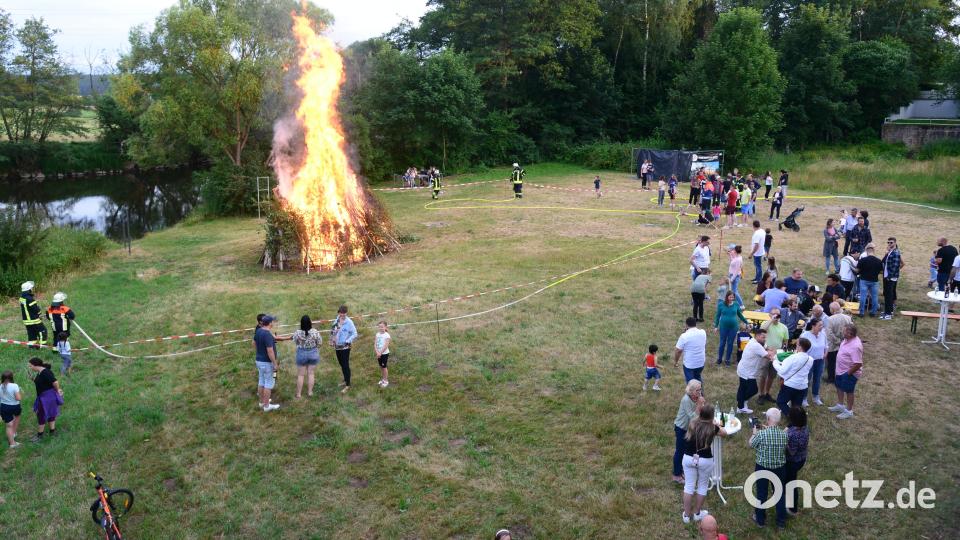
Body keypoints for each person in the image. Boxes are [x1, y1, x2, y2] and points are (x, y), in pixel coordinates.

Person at [681, 405, 728, 524]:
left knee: (689, 486)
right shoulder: (713, 428)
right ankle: (697, 513)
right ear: (712, 416)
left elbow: (697, 421)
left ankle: (686, 516)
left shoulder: (692, 423)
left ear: (700, 414)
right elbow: (724, 433)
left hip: (688, 458)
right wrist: (716, 424)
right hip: (705, 460)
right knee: (702, 486)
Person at [749, 407, 788, 529]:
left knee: (762, 493)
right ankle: (781, 521)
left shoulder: (761, 434)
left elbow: (751, 444)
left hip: (763, 467)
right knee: (779, 493)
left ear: (768, 419)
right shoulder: (784, 435)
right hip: (779, 468)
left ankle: (760, 520)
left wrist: (754, 433)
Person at [672, 379, 704, 482]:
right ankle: (676, 475)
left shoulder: (696, 397)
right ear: (691, 391)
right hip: (681, 428)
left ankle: (685, 471)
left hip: (690, 428)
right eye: (697, 390)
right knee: (680, 451)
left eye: (700, 389)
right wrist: (699, 405)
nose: (700, 392)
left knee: (689, 450)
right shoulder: (686, 400)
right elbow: (692, 417)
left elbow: (700, 413)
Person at [830, 324, 863, 420]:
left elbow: (858, 364)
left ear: (850, 333)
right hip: (840, 370)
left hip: (849, 373)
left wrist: (848, 374)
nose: (842, 332)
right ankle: (840, 405)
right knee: (839, 387)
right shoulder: (846, 339)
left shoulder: (855, 346)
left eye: (844, 331)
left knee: (849, 391)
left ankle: (849, 411)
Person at [737, 328, 773, 413]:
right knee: (753, 390)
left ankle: (741, 404)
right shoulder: (756, 345)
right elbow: (769, 356)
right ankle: (741, 406)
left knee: (743, 388)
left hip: (744, 369)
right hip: (747, 372)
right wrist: (772, 352)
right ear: (757, 336)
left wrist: (769, 349)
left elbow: (766, 347)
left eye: (765, 337)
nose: (765, 339)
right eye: (763, 337)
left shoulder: (755, 341)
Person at [774, 337, 813, 416]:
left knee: (780, 402)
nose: (796, 345)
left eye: (797, 344)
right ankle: (798, 420)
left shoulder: (792, 357)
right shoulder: (811, 359)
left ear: (800, 347)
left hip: (790, 385)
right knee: (797, 406)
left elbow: (782, 370)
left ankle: (792, 417)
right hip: (802, 386)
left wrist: (774, 362)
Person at [27, 357, 62, 442]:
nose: (30, 368)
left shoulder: (46, 372)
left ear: (36, 365)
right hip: (44, 396)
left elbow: (55, 382)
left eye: (30, 366)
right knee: (50, 413)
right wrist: (32, 379)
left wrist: (58, 390)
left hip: (47, 397)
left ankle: (40, 436)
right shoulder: (40, 372)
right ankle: (52, 432)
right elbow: (42, 383)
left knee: (41, 415)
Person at [758, 309, 788, 404]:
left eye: (778, 314)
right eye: (774, 314)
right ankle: (761, 394)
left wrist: (780, 351)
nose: (776, 316)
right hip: (765, 353)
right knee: (763, 375)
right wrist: (772, 320)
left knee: (772, 376)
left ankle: (767, 393)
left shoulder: (784, 327)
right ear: (769, 315)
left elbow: (785, 341)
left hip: (776, 355)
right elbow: (762, 330)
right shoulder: (766, 324)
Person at [784, 406, 809, 515]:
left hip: (792, 462)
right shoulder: (805, 428)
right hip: (801, 459)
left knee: (791, 484)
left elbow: (791, 452)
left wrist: (784, 439)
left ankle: (792, 509)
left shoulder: (792, 434)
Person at [254, 316, 282, 411]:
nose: (273, 323)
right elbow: (270, 351)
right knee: (268, 384)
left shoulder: (258, 331)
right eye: (272, 321)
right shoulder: (268, 335)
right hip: (267, 363)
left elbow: (254, 343)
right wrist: (274, 363)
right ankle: (267, 406)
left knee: (261, 381)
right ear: (270, 323)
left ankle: (262, 402)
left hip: (258, 361)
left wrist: (260, 352)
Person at [714, 291, 748, 366]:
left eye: (733, 297)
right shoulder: (721, 305)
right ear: (727, 297)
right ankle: (719, 359)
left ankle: (727, 359)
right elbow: (717, 316)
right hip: (723, 327)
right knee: (722, 343)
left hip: (733, 327)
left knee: (730, 343)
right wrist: (716, 326)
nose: (731, 299)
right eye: (730, 297)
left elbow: (739, 314)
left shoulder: (736, 304)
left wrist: (746, 322)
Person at [292, 315, 322, 398]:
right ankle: (310, 392)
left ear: (301, 323)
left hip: (301, 353)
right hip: (313, 353)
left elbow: (295, 341)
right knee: (311, 373)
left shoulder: (297, 332)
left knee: (301, 375)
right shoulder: (315, 332)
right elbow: (320, 343)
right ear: (310, 322)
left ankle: (298, 394)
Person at [331, 305, 358, 392]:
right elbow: (333, 331)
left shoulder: (349, 322)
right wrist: (332, 340)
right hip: (337, 346)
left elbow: (355, 333)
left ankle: (348, 384)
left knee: (345, 365)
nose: (342, 315)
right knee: (341, 364)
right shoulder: (336, 320)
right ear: (338, 312)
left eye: (344, 314)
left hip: (345, 347)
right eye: (341, 313)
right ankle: (345, 380)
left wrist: (348, 340)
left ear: (346, 313)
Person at [799, 318, 826, 406]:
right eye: (819, 325)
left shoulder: (823, 335)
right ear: (813, 326)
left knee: (817, 379)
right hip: (808, 361)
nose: (821, 327)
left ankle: (815, 397)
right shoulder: (805, 335)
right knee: (806, 380)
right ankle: (803, 398)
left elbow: (826, 347)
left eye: (822, 325)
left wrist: (824, 356)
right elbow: (799, 348)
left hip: (820, 361)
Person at [675, 317, 707, 383]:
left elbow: (678, 351)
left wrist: (676, 361)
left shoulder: (684, 336)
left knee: (691, 384)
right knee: (697, 377)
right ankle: (700, 391)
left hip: (690, 364)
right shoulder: (703, 332)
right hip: (701, 362)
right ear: (696, 324)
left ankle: (695, 392)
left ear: (686, 325)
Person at [825, 302, 851, 383]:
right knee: (843, 362)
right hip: (845, 344)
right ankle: (843, 377)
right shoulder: (848, 318)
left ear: (832, 310)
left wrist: (838, 341)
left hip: (833, 345)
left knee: (831, 363)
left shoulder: (830, 319)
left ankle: (831, 379)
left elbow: (829, 333)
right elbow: (851, 331)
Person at [880, 237, 904, 320]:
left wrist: (889, 277)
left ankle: (889, 314)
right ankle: (887, 311)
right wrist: (886, 253)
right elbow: (883, 261)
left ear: (895, 243)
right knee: (887, 295)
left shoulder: (896, 253)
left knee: (889, 295)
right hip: (886, 276)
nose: (889, 244)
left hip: (890, 278)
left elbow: (895, 267)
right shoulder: (890, 252)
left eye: (891, 242)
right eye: (888, 242)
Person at [18, 281, 48, 347]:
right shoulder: (29, 298)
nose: (32, 289)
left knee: (31, 333)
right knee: (42, 330)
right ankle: (43, 345)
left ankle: (32, 346)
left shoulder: (22, 298)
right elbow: (35, 309)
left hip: (26, 320)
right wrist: (39, 313)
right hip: (33, 319)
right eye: (31, 288)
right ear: (29, 289)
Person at [856, 244, 883, 317]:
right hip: (874, 281)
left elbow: (857, 270)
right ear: (873, 251)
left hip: (864, 280)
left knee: (863, 296)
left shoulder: (862, 260)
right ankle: (873, 312)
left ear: (866, 251)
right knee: (874, 297)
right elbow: (881, 272)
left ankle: (861, 312)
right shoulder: (878, 261)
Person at [1, 371, 22, 449]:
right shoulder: (14, 385)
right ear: (11, 377)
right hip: (14, 406)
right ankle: (13, 433)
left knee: (8, 425)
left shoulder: (0, 386)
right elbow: (18, 398)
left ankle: (12, 443)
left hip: (4, 407)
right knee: (17, 417)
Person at [375, 320, 392, 388]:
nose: (380, 328)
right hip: (378, 353)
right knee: (381, 367)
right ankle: (383, 379)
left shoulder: (387, 335)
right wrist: (377, 352)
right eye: (379, 327)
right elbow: (375, 344)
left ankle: (386, 381)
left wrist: (380, 353)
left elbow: (385, 346)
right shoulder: (377, 334)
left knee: (384, 367)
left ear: (385, 327)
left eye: (382, 327)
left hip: (384, 354)